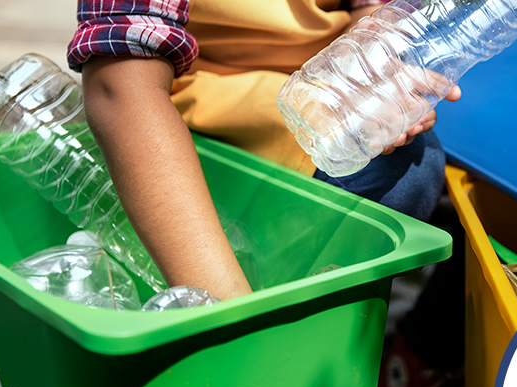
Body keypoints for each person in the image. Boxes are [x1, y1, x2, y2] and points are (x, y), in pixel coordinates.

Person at [68, 0, 461, 302]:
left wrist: (379, 65)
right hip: (196, 106)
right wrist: (228, 313)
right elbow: (118, 83)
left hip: (317, 83)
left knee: (411, 162)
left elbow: (371, 12)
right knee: (400, 175)